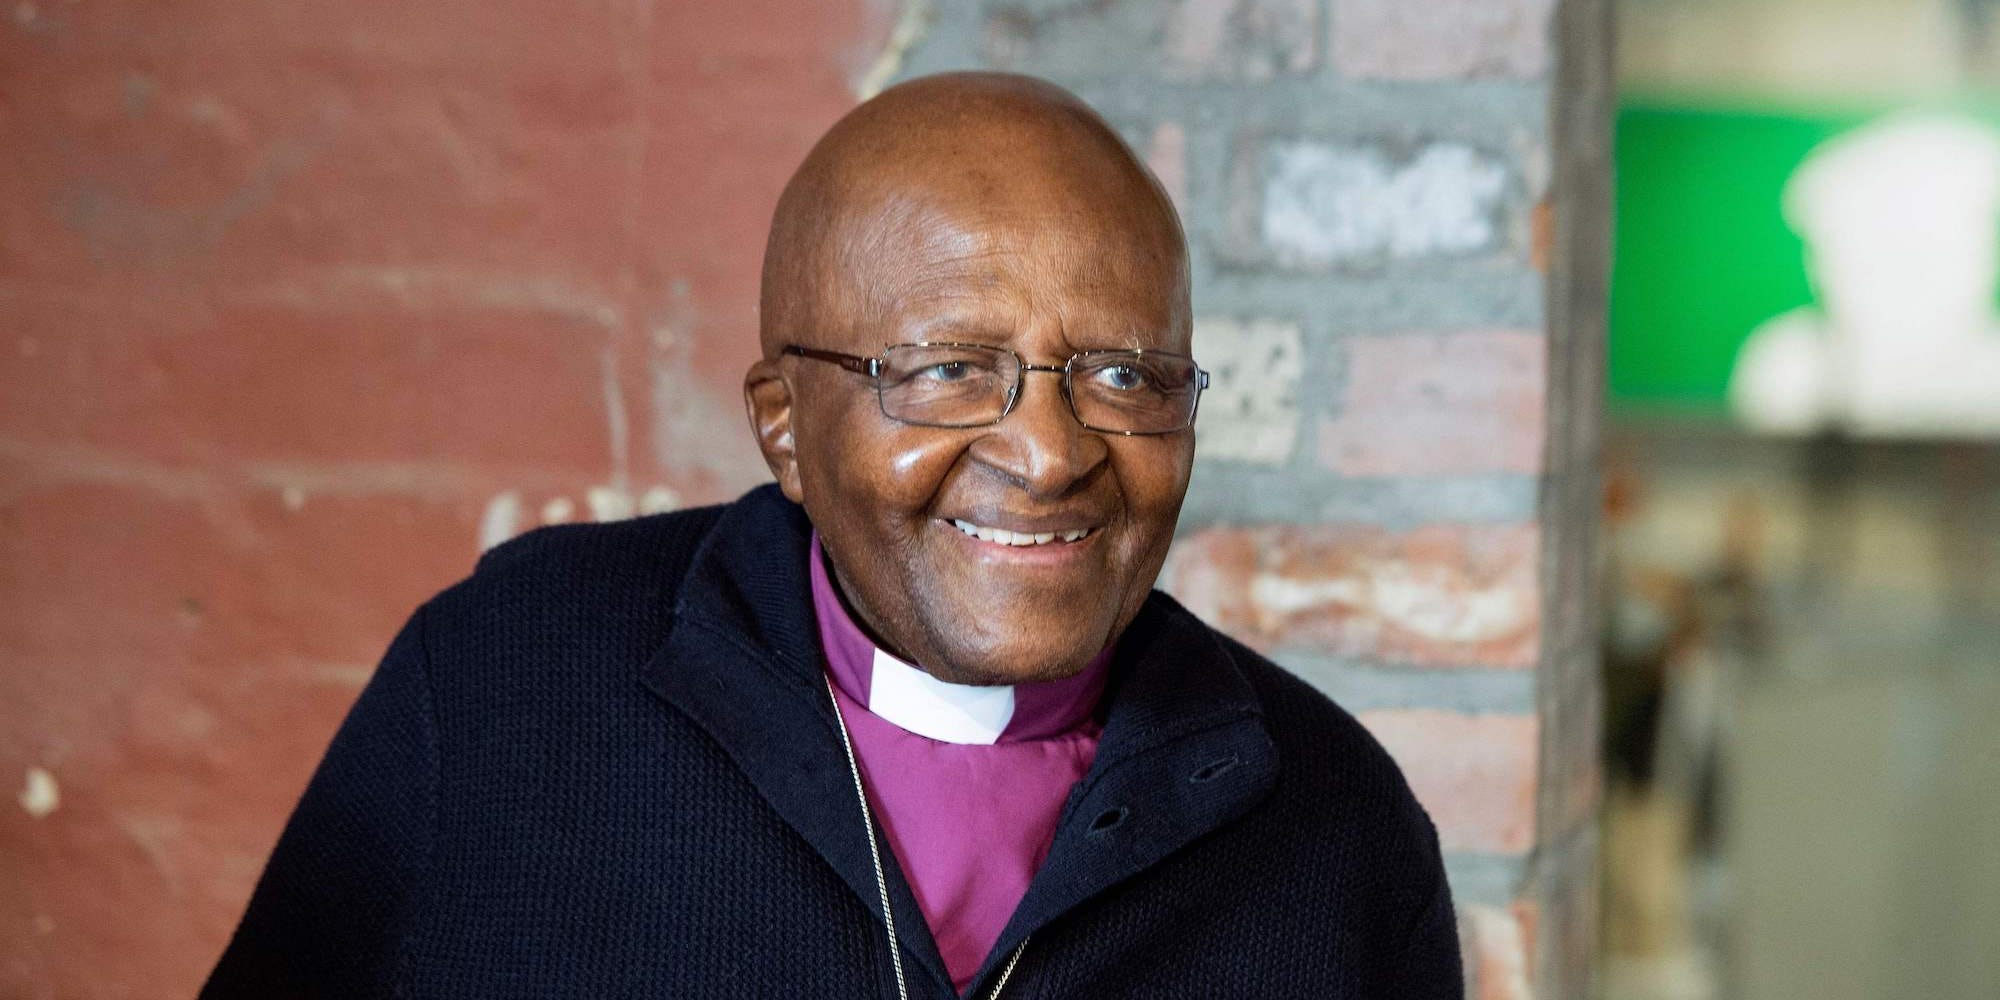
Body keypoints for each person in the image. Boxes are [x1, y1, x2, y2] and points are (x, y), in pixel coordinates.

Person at [203, 72, 1461, 999]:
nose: (1051, 452)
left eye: (1127, 378)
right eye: (949, 370)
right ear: (785, 428)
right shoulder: (502, 680)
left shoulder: (1332, 823)